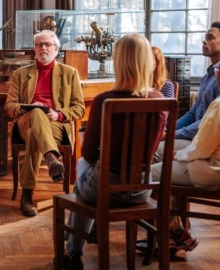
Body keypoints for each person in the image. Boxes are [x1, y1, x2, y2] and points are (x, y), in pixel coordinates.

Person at [62, 34, 167, 270]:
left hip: (103, 189)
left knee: (82, 181)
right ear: (147, 61)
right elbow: (151, 151)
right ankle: (73, 246)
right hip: (141, 189)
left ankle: (74, 254)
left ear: (118, 62)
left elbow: (88, 153)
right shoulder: (159, 99)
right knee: (86, 180)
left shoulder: (104, 100)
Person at [149, 50, 220, 257]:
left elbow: (202, 148)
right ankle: (173, 232)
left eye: (218, 69)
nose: (215, 73)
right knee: (164, 166)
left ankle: (172, 235)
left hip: (213, 171)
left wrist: (177, 156)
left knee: (149, 174)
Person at [4, 30, 85, 217]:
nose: (43, 48)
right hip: (26, 121)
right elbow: (9, 106)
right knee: (37, 113)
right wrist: (30, 109)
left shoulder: (70, 73)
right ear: (34, 49)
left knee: (35, 134)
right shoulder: (20, 74)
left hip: (55, 124)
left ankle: (27, 194)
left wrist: (58, 115)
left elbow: (79, 108)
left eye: (47, 44)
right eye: (39, 44)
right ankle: (51, 157)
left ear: (56, 49)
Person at [159, 21, 220, 154]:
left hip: (211, 143)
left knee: (154, 148)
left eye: (210, 37)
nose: (204, 41)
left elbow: (210, 121)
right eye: (205, 37)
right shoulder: (207, 76)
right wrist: (167, 130)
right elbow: (192, 113)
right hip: (196, 136)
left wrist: (171, 134)